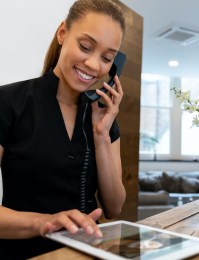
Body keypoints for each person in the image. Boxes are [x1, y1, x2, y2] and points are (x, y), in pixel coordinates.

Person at [0, 0, 126, 258]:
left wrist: (101, 135)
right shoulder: (9, 102)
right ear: (62, 33)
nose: (93, 65)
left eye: (106, 58)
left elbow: (114, 208)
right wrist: (43, 222)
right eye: (85, 47)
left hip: (91, 251)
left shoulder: (104, 116)